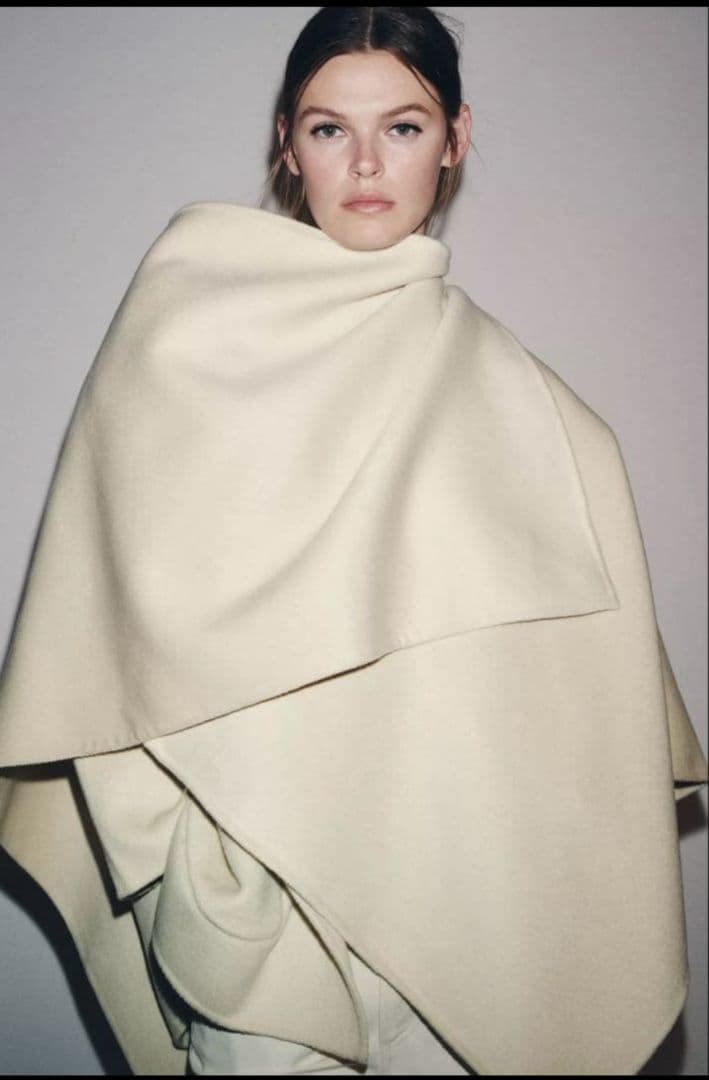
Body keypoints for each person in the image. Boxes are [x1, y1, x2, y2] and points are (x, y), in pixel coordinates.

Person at [0, 6, 706, 1077]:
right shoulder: (187, 332)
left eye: (403, 127)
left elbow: (575, 718)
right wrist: (194, 870)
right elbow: (99, 634)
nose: (366, 163)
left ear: (456, 138)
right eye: (329, 128)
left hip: (461, 930)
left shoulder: (544, 415)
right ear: (286, 144)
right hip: (258, 926)